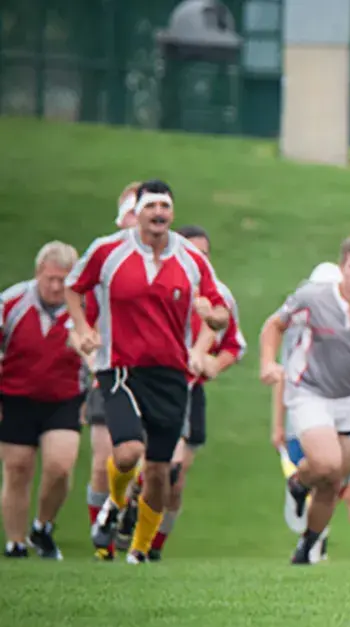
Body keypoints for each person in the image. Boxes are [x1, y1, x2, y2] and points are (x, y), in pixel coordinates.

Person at [67, 179, 231, 564]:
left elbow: (222, 312)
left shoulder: (191, 259)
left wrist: (212, 317)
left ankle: (139, 551)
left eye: (165, 207)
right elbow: (74, 287)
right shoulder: (107, 251)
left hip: (171, 373)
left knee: (159, 472)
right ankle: (114, 504)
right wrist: (83, 328)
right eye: (151, 206)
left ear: (172, 213)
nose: (159, 213)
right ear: (137, 212)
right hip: (120, 367)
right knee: (127, 453)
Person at [258, 236, 350, 564]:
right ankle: (299, 482)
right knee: (326, 463)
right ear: (342, 269)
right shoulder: (313, 298)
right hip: (309, 391)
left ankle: (306, 545)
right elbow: (274, 325)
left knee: (335, 481)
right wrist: (268, 362)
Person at [116, 225, 247, 561]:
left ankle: (153, 546)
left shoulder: (219, 296)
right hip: (149, 382)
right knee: (142, 458)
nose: (198, 260)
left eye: (204, 255)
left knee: (175, 476)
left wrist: (214, 364)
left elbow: (234, 344)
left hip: (189, 391)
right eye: (192, 252)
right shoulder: (157, 286)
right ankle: (122, 511)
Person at [273, 262, 350, 564]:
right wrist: (278, 424)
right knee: (323, 476)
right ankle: (312, 542)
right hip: (307, 420)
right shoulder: (298, 332)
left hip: (347, 416)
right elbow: (283, 376)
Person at [0, 242, 85, 559]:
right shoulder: (11, 303)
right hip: (16, 397)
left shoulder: (83, 307)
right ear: (38, 273)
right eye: (51, 279)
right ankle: (16, 542)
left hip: (64, 398)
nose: (56, 287)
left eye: (64, 280)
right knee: (17, 468)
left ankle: (43, 526)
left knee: (60, 466)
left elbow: (99, 350)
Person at [83, 180, 142, 561]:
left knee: (148, 463)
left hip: (152, 375)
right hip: (109, 370)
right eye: (132, 213)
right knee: (106, 458)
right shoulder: (103, 261)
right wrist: (92, 358)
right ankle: (102, 544)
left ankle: (125, 516)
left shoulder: (171, 261)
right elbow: (82, 319)